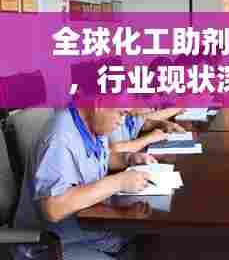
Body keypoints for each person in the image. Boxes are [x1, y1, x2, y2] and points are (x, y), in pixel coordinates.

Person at [14, 102, 157, 260]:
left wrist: (128, 158)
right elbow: (53, 208)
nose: (121, 121)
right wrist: (118, 183)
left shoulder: (91, 124)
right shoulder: (60, 138)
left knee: (151, 242)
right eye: (121, 113)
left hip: (95, 233)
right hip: (55, 247)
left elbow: (100, 157)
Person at [109, 108, 186, 154]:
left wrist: (161, 124)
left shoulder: (126, 111)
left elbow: (141, 122)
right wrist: (149, 138)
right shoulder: (111, 114)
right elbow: (113, 151)